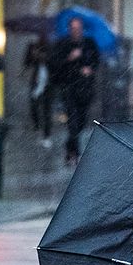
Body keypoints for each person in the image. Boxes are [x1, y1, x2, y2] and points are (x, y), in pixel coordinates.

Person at [49, 16, 100, 165]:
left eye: (78, 28)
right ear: (70, 29)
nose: (76, 31)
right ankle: (75, 153)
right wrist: (70, 58)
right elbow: (55, 65)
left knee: (81, 122)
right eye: (73, 28)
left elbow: (96, 62)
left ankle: (70, 148)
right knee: (73, 120)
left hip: (85, 88)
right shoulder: (63, 44)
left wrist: (89, 69)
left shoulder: (89, 44)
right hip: (69, 87)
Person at [24, 35, 52, 146]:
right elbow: (27, 62)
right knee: (34, 105)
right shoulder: (32, 47)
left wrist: (45, 57)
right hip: (36, 80)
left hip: (48, 82)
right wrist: (34, 56)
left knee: (47, 109)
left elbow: (55, 62)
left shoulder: (52, 47)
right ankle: (37, 126)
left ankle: (46, 134)